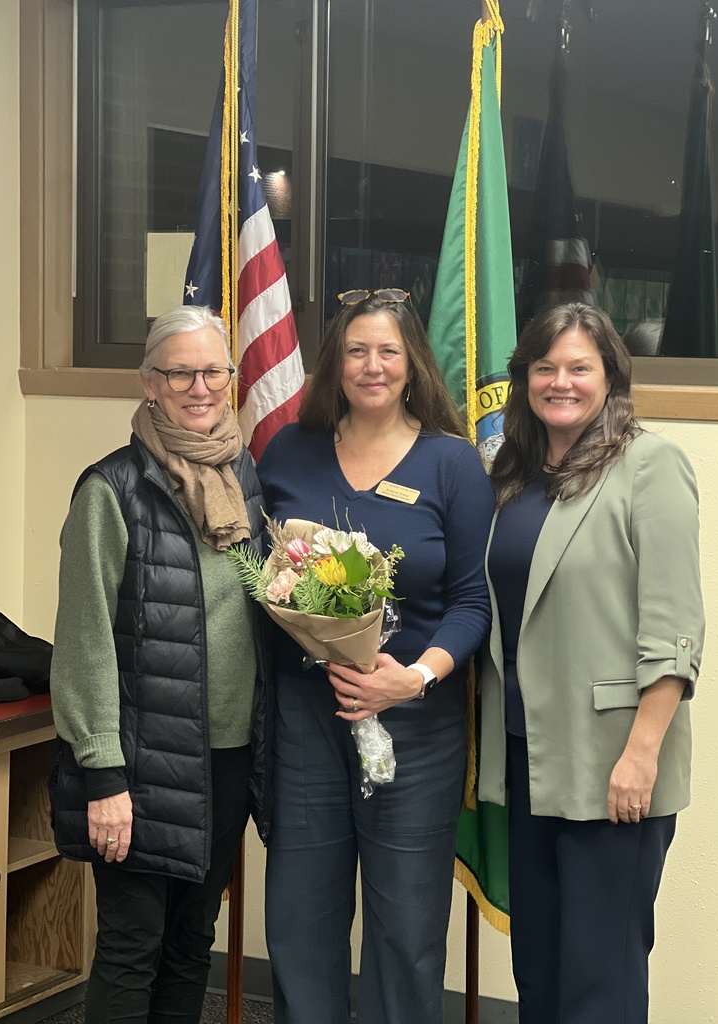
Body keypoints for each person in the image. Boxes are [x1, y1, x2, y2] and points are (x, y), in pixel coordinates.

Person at [255, 287, 494, 1024]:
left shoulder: (452, 464)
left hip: (416, 731)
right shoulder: (289, 449)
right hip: (306, 723)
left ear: (412, 362)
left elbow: (473, 604)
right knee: (301, 922)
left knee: (406, 932)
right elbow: (264, 576)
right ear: (335, 362)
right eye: (357, 350)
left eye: (388, 350)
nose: (372, 365)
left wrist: (413, 678)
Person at [478, 302, 705, 1024]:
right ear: (524, 379)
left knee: (598, 981)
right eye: (545, 367)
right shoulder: (510, 473)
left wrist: (642, 755)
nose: (561, 382)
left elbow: (675, 630)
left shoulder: (651, 464)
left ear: (611, 376)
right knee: (538, 968)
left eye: (581, 367)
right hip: (527, 755)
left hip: (613, 765)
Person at [48, 305, 271, 1024]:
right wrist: (102, 774)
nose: (199, 387)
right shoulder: (110, 490)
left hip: (227, 758)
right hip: (141, 765)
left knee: (189, 946)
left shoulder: (242, 472)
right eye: (181, 372)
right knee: (132, 947)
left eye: (214, 371)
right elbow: (83, 642)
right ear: (150, 383)